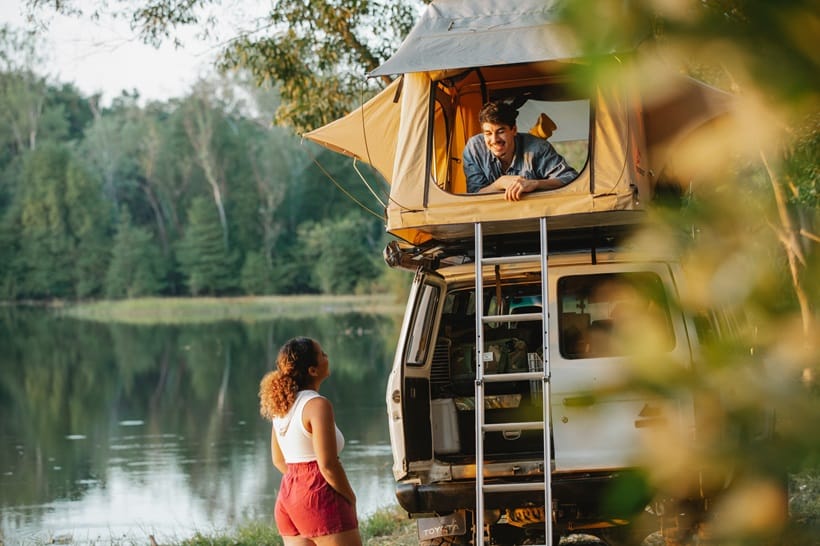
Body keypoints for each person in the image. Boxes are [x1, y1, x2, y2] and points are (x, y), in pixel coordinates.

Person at [259, 337, 361, 546]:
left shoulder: (282, 405)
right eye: (322, 354)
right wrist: (350, 496)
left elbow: (278, 460)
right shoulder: (317, 405)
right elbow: (328, 465)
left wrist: (300, 484)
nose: (327, 357)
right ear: (312, 370)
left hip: (289, 498)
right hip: (319, 497)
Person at [463, 100, 578, 200]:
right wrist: (499, 184)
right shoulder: (474, 149)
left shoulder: (538, 148)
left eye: (501, 131)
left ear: (514, 130)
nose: (494, 140)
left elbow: (570, 178)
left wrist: (535, 183)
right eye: (488, 133)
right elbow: (474, 195)